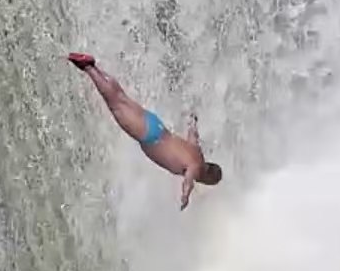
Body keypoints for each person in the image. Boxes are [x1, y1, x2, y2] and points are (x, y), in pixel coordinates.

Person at [65, 53, 223, 209]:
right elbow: (189, 180)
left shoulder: (196, 152)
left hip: (156, 125)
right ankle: (88, 68)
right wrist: (185, 196)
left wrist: (193, 119)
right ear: (207, 177)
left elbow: (193, 133)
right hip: (150, 136)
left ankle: (96, 68)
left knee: (121, 98)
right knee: (116, 106)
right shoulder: (196, 168)